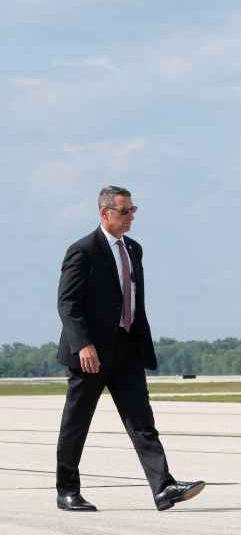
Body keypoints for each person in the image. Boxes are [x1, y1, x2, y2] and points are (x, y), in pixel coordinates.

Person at [55, 185, 205, 512]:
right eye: (125, 211)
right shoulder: (83, 251)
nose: (131, 216)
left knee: (142, 421)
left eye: (133, 210)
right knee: (77, 423)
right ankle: (67, 490)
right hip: (91, 354)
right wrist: (84, 344)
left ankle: (163, 488)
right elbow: (67, 304)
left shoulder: (133, 249)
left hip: (126, 350)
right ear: (105, 213)